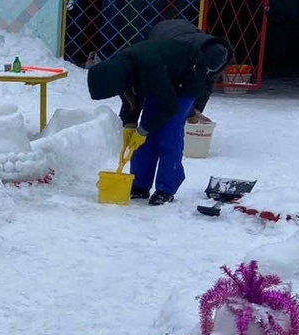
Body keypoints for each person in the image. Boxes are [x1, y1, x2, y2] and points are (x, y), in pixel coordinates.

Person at [87, 20, 232, 205]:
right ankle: (139, 184)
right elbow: (131, 96)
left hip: (186, 80)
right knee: (145, 139)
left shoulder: (148, 65)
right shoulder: (120, 67)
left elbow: (170, 106)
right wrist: (130, 125)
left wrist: (143, 130)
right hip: (161, 80)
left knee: (168, 134)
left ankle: (166, 188)